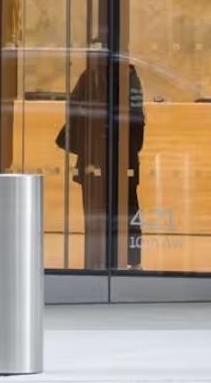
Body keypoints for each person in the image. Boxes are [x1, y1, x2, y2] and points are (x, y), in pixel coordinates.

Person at [55, 45, 146, 270]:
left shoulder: (94, 76)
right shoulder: (126, 76)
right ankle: (130, 261)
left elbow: (74, 112)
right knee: (125, 207)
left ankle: (100, 259)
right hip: (118, 154)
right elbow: (137, 120)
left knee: (103, 208)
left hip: (98, 155)